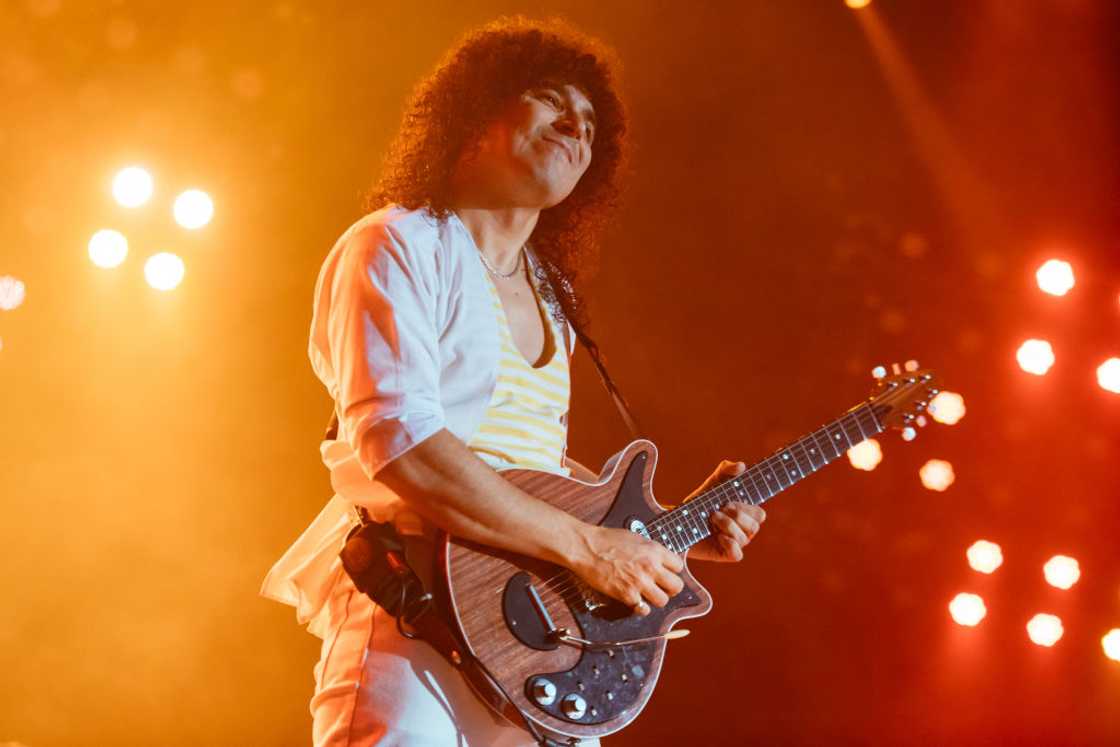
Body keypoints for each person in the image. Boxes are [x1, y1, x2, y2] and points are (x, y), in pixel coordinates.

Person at [261, 16, 766, 746]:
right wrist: (591, 550)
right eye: (550, 99)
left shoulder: (552, 299)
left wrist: (664, 533)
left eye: (590, 121)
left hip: (533, 644)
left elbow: (528, 472)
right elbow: (403, 446)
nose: (575, 125)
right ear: (477, 112)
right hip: (416, 624)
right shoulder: (396, 242)